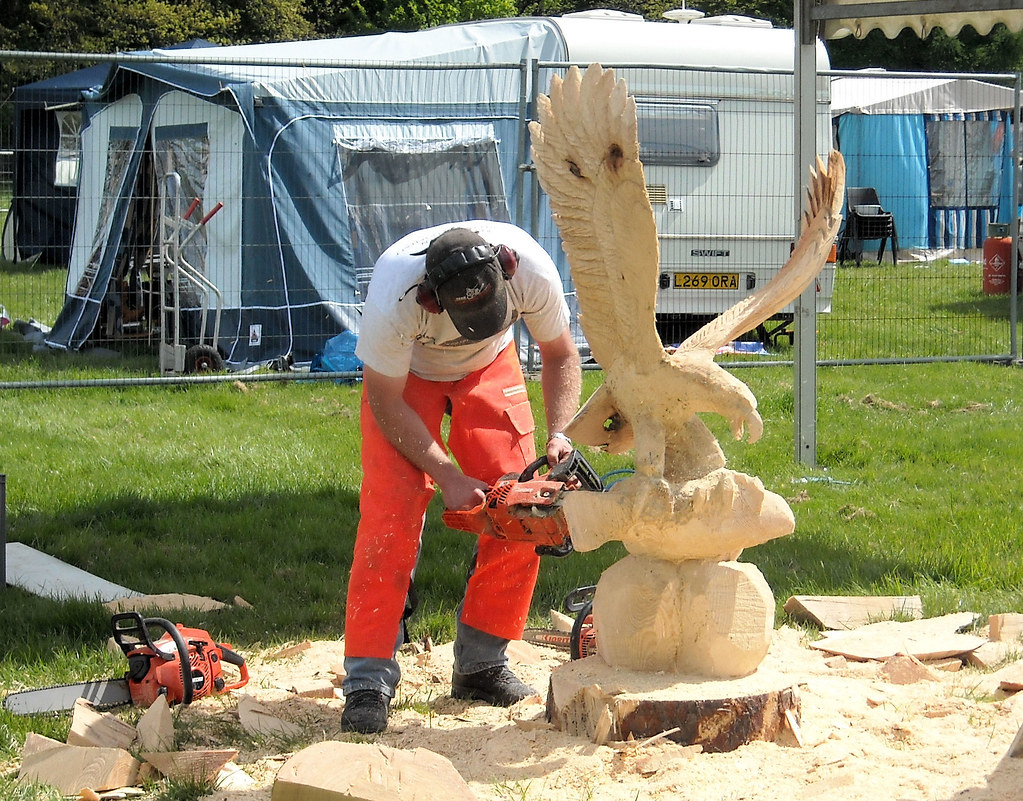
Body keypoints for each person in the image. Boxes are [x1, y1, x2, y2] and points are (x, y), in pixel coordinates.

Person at [340, 221, 582, 734]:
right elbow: (384, 399)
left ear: (505, 267)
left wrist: (562, 432)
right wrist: (447, 474)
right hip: (407, 380)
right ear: (431, 300)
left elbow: (561, 355)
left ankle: (481, 663)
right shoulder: (395, 293)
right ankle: (368, 678)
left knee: (522, 506)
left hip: (490, 365)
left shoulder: (531, 269)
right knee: (390, 514)